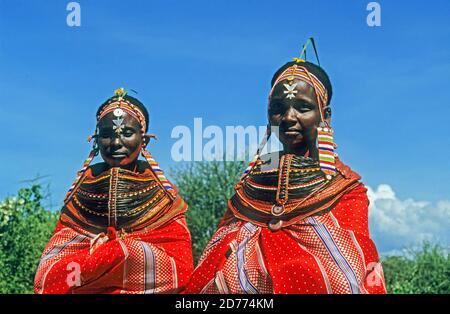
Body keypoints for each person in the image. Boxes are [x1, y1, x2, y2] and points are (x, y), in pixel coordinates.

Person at [185, 39, 387, 294]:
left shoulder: (346, 188)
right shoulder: (253, 182)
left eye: (303, 107)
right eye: (278, 109)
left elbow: (351, 271)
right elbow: (216, 256)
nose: (289, 117)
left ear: (325, 115)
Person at [34, 88, 193, 294]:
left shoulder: (164, 197)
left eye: (127, 133)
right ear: (97, 141)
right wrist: (104, 257)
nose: (116, 143)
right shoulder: (80, 195)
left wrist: (120, 252)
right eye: (107, 135)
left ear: (143, 140)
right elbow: (51, 269)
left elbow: (180, 267)